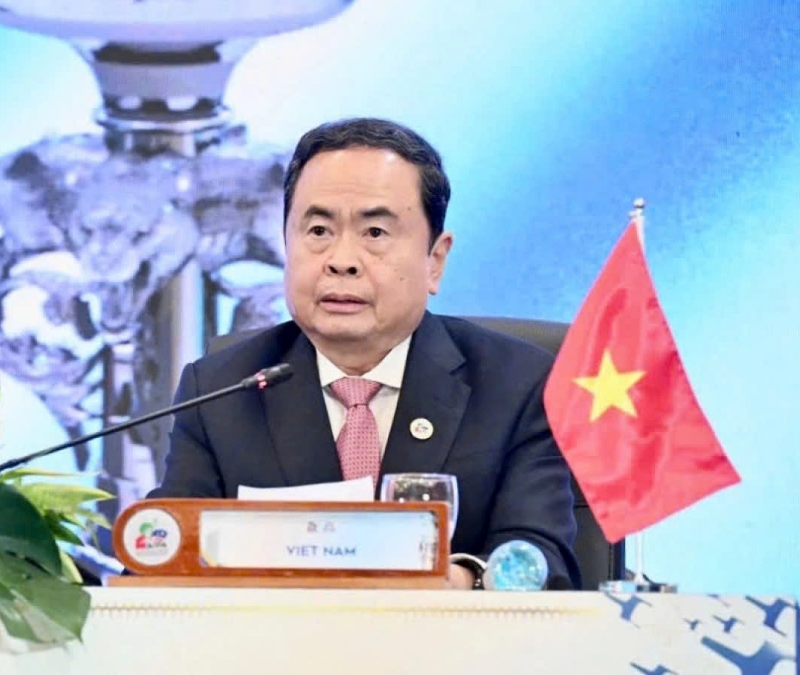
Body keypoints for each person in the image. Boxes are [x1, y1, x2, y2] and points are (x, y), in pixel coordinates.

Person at [150, 117, 581, 590]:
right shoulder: (220, 392)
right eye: (318, 230)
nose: (341, 260)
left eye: (374, 233)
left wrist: (457, 583)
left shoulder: (516, 386)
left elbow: (542, 559)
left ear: (435, 261)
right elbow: (162, 558)